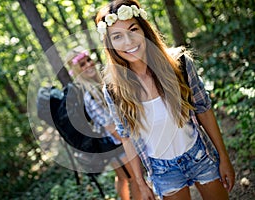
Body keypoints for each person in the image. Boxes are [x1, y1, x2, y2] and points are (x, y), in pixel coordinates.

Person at [95, 0, 235, 199]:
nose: (128, 42)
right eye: (117, 36)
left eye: (133, 29)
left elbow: (204, 110)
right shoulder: (113, 89)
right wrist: (140, 183)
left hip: (199, 155)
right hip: (163, 170)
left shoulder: (179, 64)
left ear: (144, 30)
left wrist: (224, 158)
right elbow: (126, 136)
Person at [65, 46, 142, 200]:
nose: (88, 65)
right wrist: (132, 144)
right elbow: (111, 126)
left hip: (115, 143)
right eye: (82, 64)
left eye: (89, 60)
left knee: (123, 177)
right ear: (77, 70)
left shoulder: (101, 84)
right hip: (117, 144)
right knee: (134, 178)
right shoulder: (90, 95)